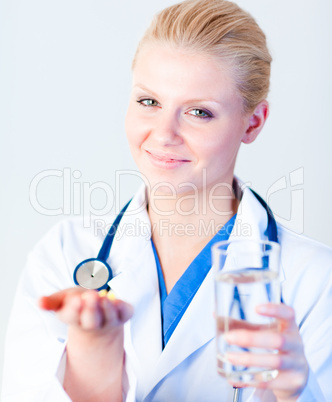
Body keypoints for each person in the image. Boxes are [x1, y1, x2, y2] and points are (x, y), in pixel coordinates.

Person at [2, 0, 332, 400]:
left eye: (199, 112)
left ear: (254, 122)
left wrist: (297, 391)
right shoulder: (66, 253)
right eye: (149, 102)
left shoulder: (314, 281)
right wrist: (94, 360)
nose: (163, 134)